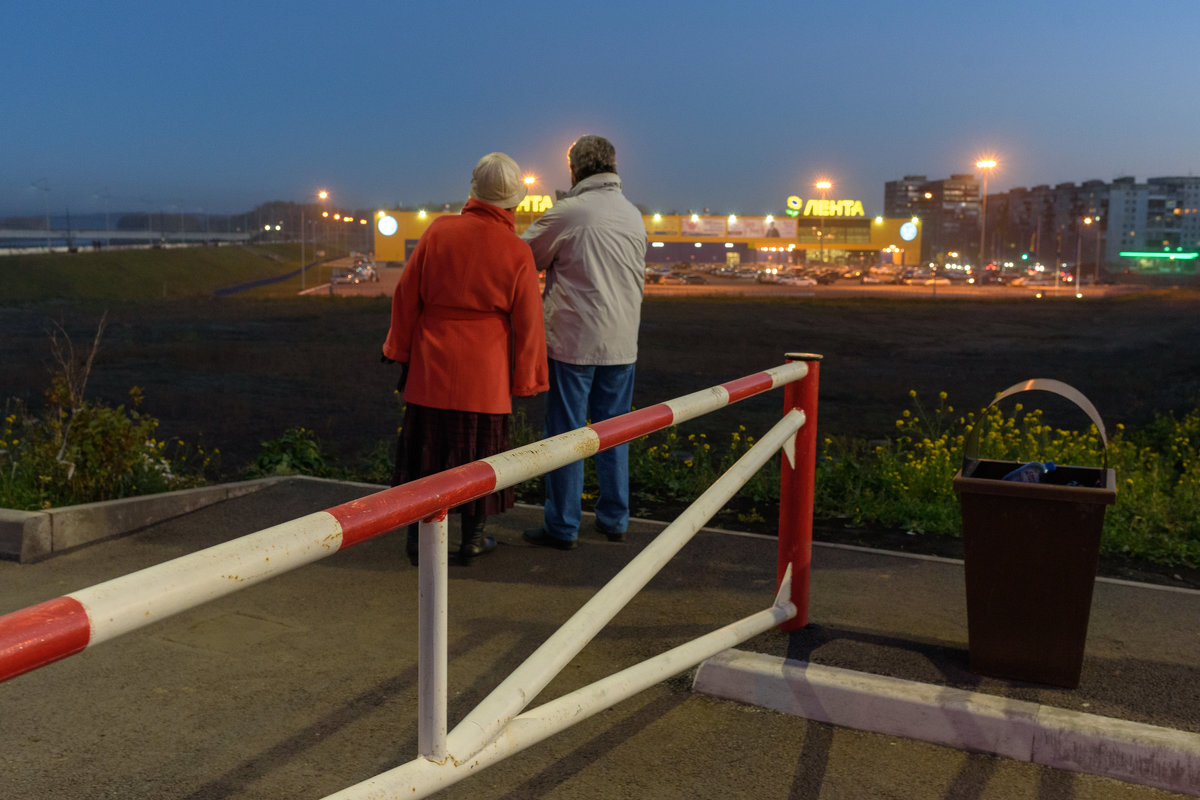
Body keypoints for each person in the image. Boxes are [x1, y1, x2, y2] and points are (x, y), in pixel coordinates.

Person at [383, 152, 548, 565]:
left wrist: (398, 349)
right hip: (485, 374)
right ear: (514, 202)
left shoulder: (439, 232)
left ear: (473, 191)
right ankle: (472, 539)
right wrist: (527, 379)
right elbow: (529, 322)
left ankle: (416, 542)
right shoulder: (516, 251)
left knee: (426, 455)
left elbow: (406, 295)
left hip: (430, 366)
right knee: (481, 456)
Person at [520, 134, 648, 550]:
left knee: (565, 435)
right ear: (613, 167)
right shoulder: (632, 215)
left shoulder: (570, 212)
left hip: (573, 344)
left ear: (574, 170)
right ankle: (614, 519)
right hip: (623, 344)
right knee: (615, 433)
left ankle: (563, 526)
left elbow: (522, 257)